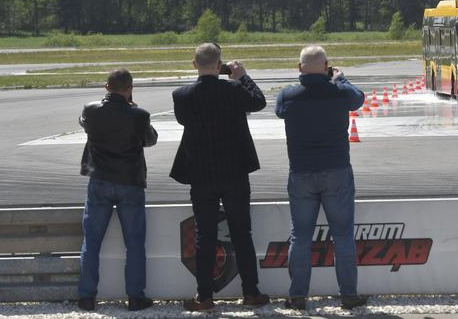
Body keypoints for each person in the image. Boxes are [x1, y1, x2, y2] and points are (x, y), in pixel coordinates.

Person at [170, 43, 269, 312]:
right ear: (219, 65)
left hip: (202, 174)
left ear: (194, 64)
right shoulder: (235, 89)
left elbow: (183, 121)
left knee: (205, 236)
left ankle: (205, 296)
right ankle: (250, 292)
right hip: (234, 172)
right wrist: (242, 77)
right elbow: (259, 102)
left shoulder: (182, 95)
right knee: (241, 233)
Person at [275, 45, 367, 311]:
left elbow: (279, 111)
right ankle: (348, 295)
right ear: (327, 67)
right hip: (336, 170)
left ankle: (297, 296)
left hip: (302, 172)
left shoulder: (288, 95)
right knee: (343, 236)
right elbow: (358, 99)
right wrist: (340, 78)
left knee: (300, 237)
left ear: (299, 68)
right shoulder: (339, 92)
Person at [78, 68, 158, 312]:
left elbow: (83, 123)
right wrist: (133, 110)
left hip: (100, 180)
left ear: (106, 88)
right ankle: (135, 297)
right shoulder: (139, 115)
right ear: (130, 88)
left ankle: (87, 297)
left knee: (91, 242)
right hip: (129, 181)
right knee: (134, 243)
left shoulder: (91, 110)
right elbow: (150, 139)